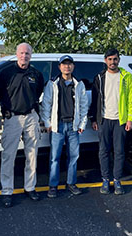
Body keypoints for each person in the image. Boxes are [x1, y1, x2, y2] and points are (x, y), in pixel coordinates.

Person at [0, 43, 44, 207]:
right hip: (12, 118)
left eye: (27, 53)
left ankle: (30, 187)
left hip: (31, 117)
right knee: (9, 155)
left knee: (32, 155)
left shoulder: (36, 74)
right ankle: (7, 190)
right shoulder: (6, 73)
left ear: (31, 55)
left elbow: (38, 93)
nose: (24, 56)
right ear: (17, 54)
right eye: (22, 53)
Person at [41, 55, 88, 198]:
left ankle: (71, 183)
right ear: (59, 67)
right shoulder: (52, 83)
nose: (67, 67)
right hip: (58, 126)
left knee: (73, 156)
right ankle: (53, 186)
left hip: (73, 126)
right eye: (64, 64)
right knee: (55, 157)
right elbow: (46, 104)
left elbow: (84, 105)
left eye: (69, 64)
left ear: (73, 67)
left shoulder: (79, 84)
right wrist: (48, 123)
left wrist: (82, 123)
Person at [89, 48, 132, 195]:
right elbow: (95, 99)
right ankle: (105, 179)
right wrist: (94, 118)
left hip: (120, 120)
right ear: (105, 61)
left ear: (118, 60)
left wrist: (130, 118)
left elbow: (131, 100)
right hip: (104, 119)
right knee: (103, 151)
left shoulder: (127, 76)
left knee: (120, 151)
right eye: (109, 59)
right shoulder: (99, 77)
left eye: (115, 59)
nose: (112, 62)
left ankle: (117, 180)